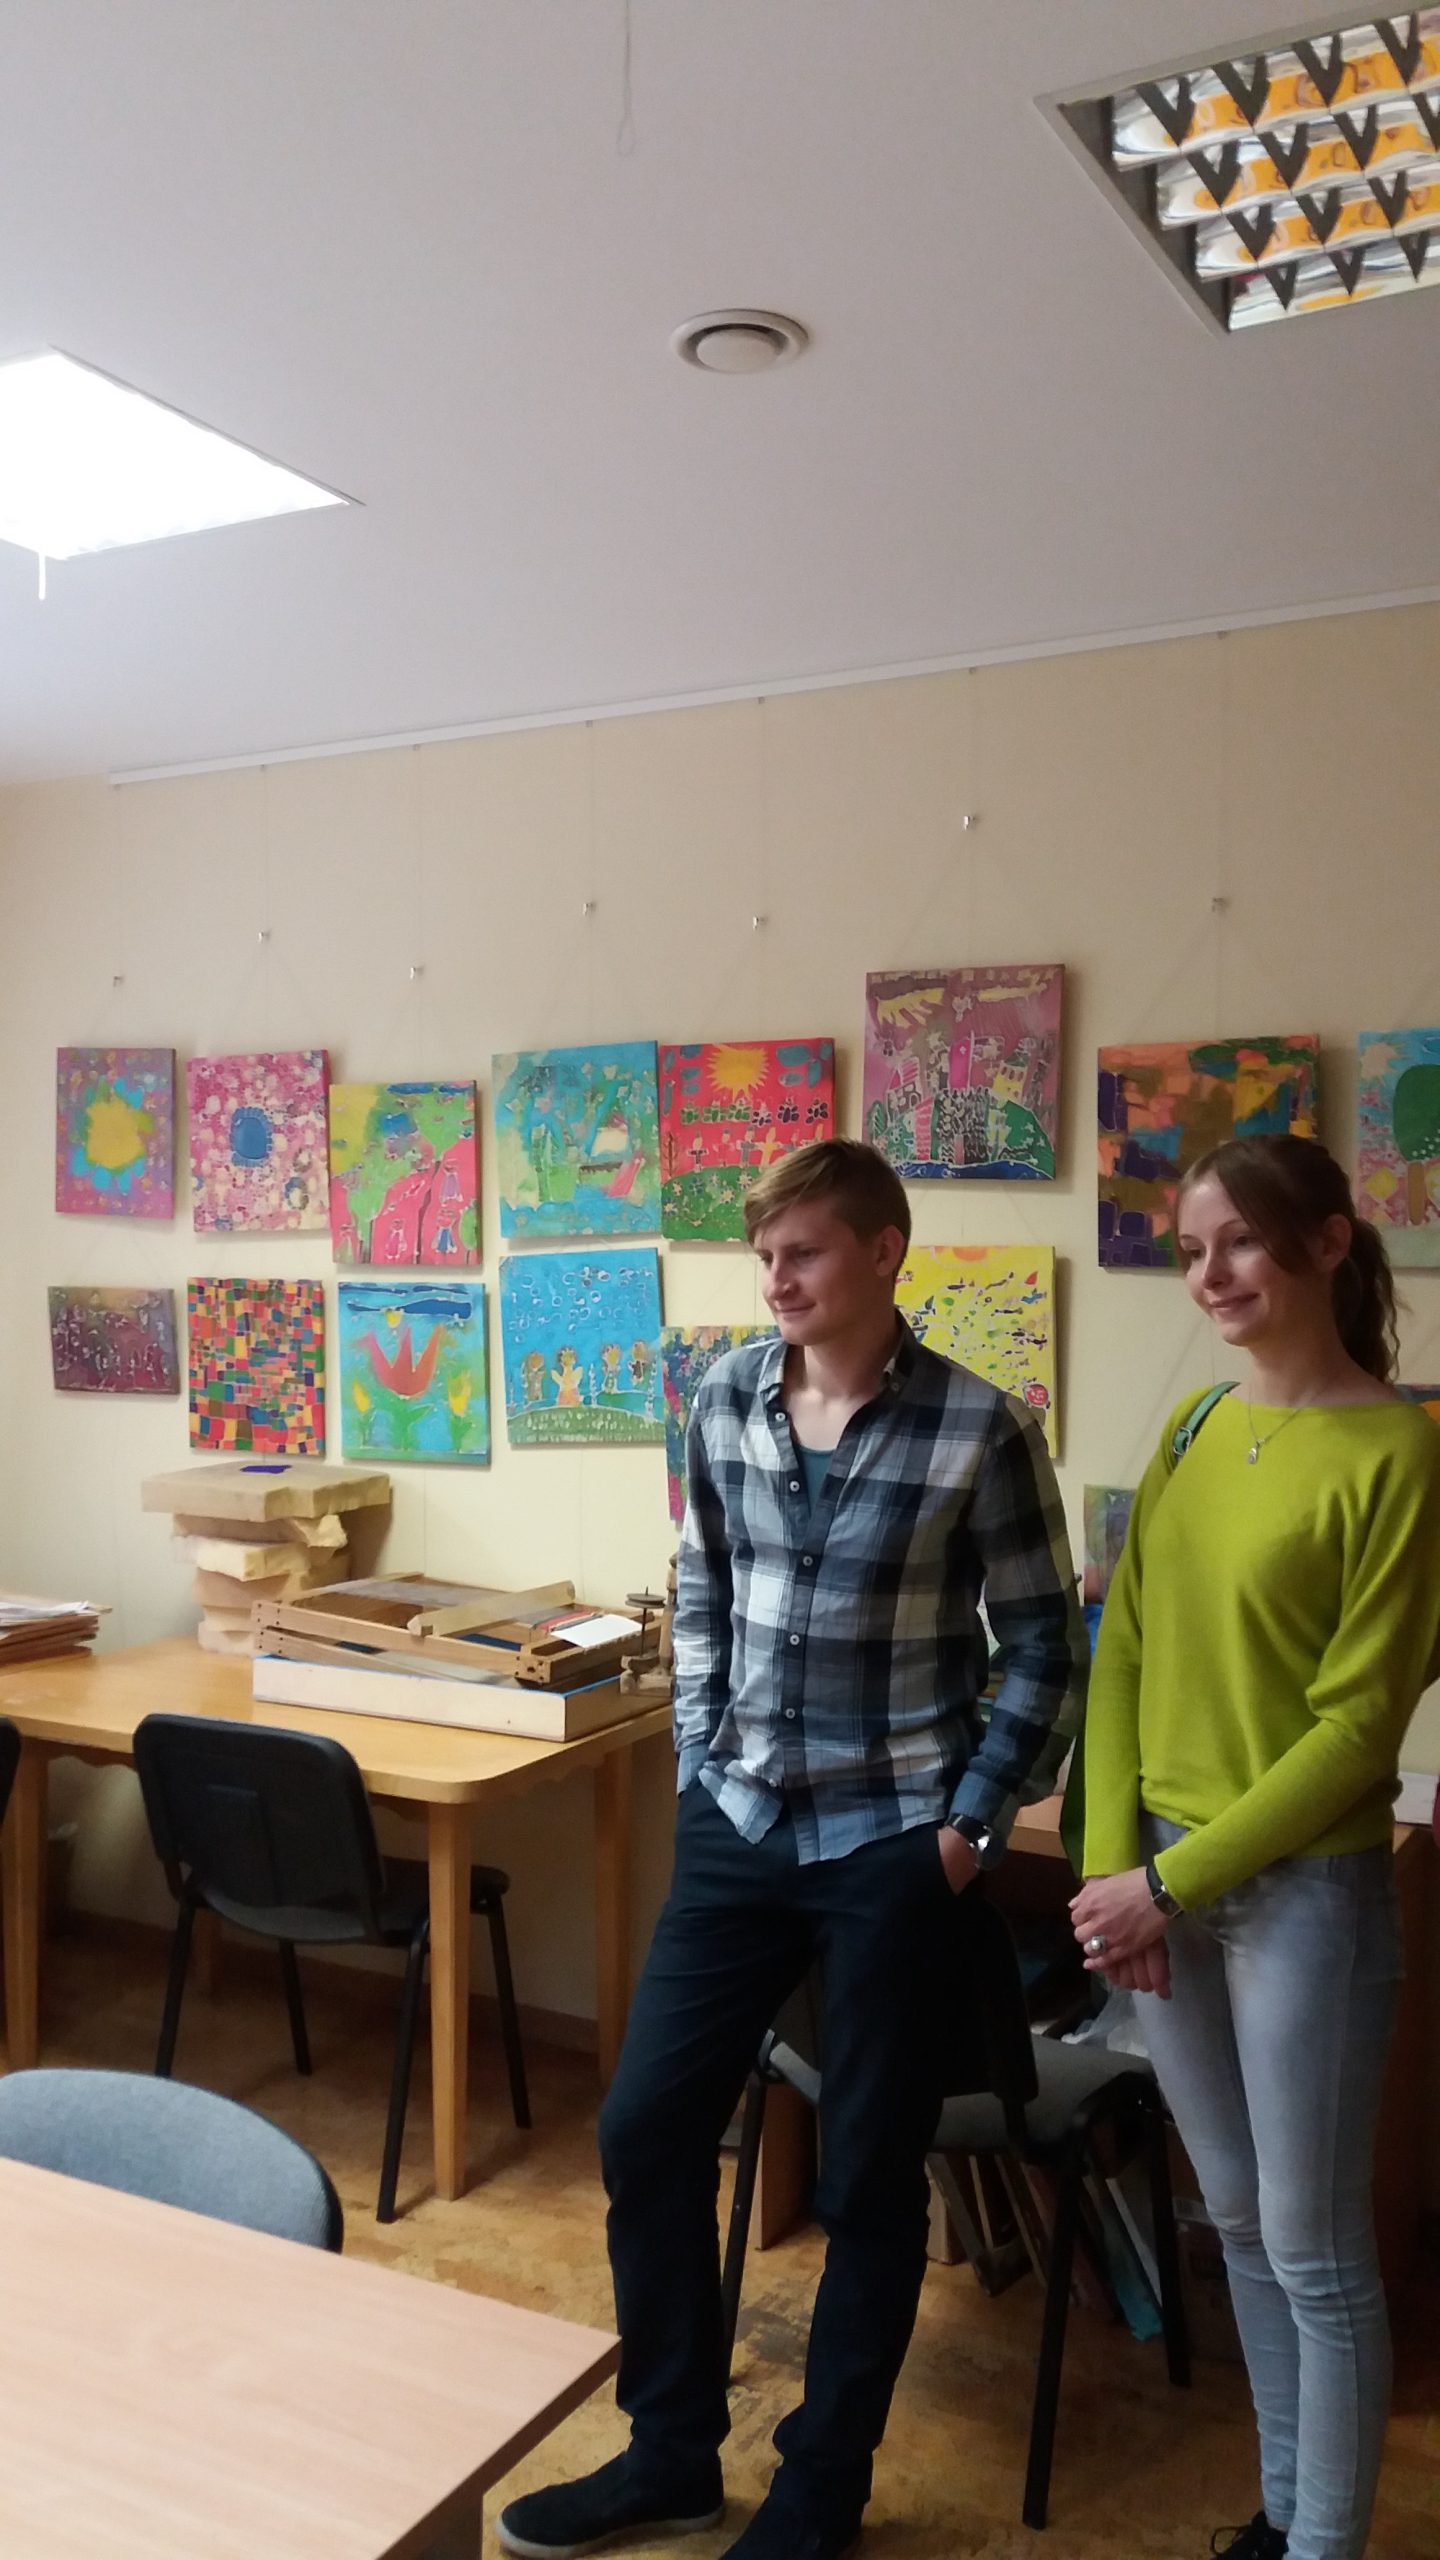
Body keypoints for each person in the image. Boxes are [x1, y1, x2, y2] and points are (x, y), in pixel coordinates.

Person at [499, 1137, 1087, 2560]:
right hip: (742, 1823)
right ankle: (671, 2457)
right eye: (764, 1255)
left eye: (804, 1251)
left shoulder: (981, 1428)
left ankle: (824, 2488)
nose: (776, 1278)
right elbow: (700, 1583)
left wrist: (969, 1829)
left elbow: (1044, 1650)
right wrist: (698, 1754)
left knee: (866, 2175)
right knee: (647, 2129)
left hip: (893, 1845)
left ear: (884, 1251)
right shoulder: (720, 1399)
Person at [1071, 1133, 1440, 2560]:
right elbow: (1121, 1651)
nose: (1210, 1275)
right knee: (1233, 2219)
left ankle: (1325, 2545)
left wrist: (1164, 1885)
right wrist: (1114, 1876)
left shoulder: (1401, 1452)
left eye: (1238, 1241)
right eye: (1190, 1251)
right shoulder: (1192, 1429)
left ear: (1330, 1244)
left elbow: (1358, 1734)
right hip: (1161, 1878)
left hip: (1303, 1899)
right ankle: (1282, 2517)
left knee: (1315, 2247)